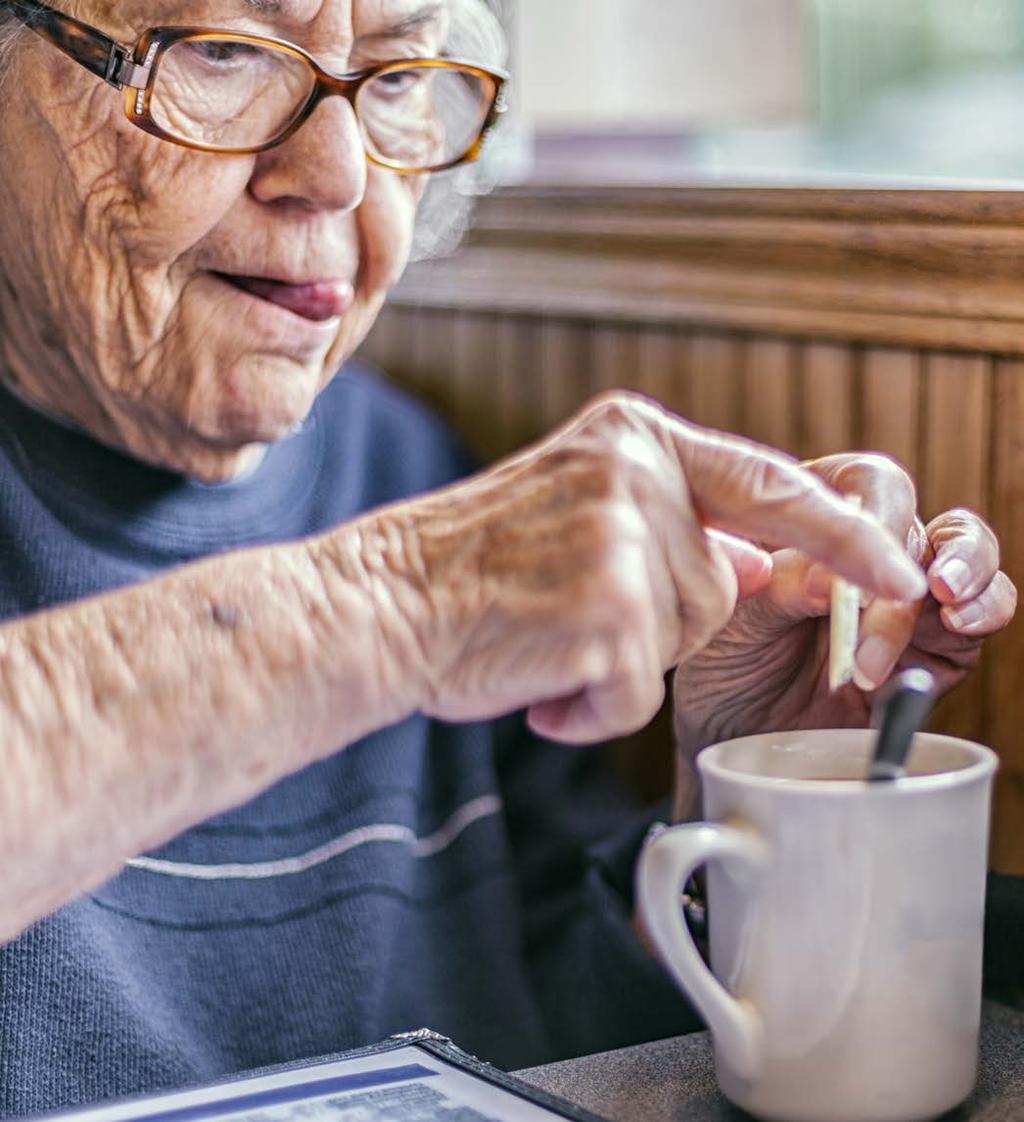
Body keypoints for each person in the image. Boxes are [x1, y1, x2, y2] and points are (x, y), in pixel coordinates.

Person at [0, 0, 1015, 1116]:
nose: (338, 174)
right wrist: (387, 605)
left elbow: (566, 1033)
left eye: (392, 79)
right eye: (226, 52)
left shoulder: (410, 467)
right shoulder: (437, 557)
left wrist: (758, 796)